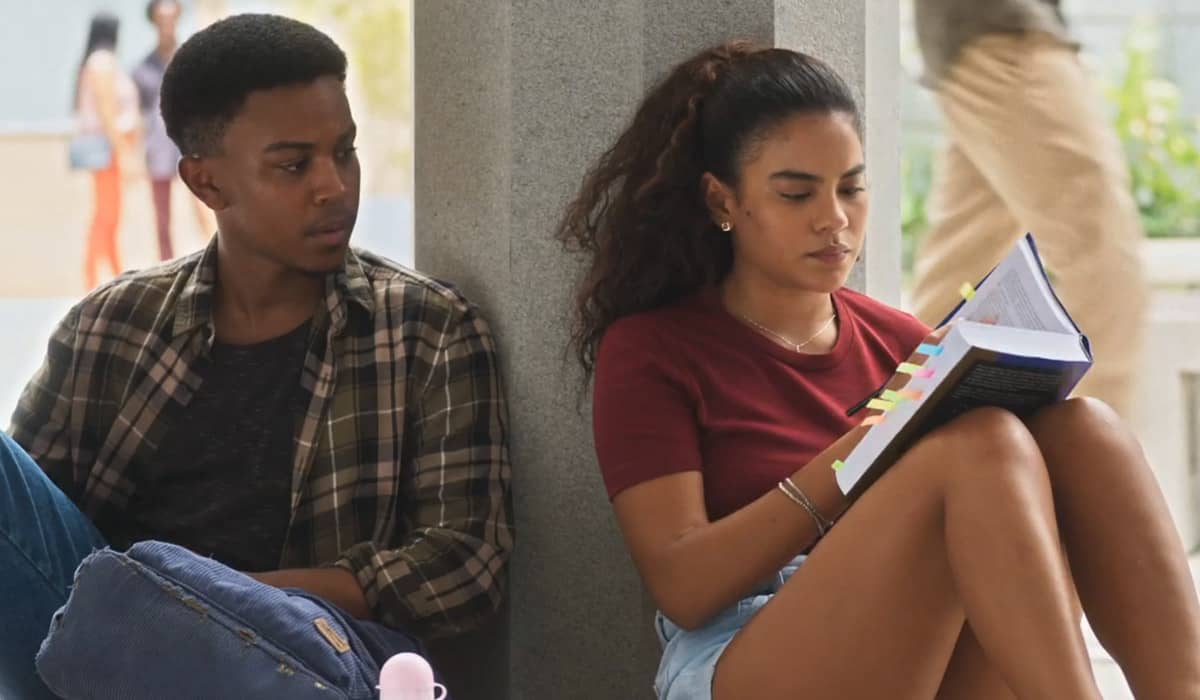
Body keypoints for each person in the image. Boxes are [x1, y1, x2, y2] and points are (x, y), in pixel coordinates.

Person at [557, 40, 1200, 700]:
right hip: (743, 652)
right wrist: (862, 449)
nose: (834, 220)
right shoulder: (653, 348)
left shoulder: (897, 339)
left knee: (1081, 427)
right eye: (796, 194)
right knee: (978, 447)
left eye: (852, 189)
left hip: (926, 642)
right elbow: (684, 589)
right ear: (722, 202)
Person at [3, 13, 511, 698]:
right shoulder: (110, 326)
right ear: (206, 183)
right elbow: (25, 543)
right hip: (103, 655)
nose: (333, 186)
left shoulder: (427, 330)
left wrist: (202, 601)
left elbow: (465, 567)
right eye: (295, 165)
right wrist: (140, 613)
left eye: (346, 152)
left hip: (296, 660)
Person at [909, 0, 1148, 418]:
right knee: (1103, 261)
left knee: (961, 283)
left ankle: (885, 450)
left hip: (978, 37)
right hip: (1004, 32)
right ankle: (1096, 472)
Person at [133, 0, 218, 261]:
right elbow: (139, 114)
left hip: (190, 141)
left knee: (205, 203)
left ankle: (217, 259)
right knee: (162, 217)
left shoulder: (190, 60)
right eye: (162, 18)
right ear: (154, 21)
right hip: (157, 145)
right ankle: (166, 265)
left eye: (171, 18)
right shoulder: (143, 68)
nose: (167, 25)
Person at [74, 12, 140, 291]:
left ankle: (113, 272)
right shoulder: (102, 62)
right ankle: (92, 277)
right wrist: (122, 150)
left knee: (110, 214)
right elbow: (106, 109)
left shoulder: (99, 62)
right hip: (108, 150)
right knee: (106, 214)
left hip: (111, 148)